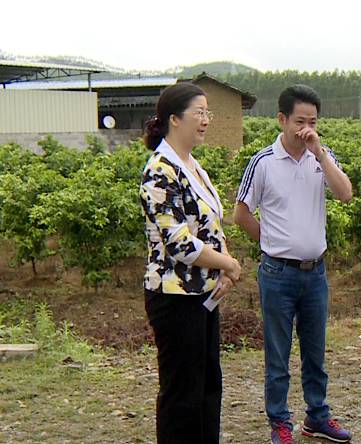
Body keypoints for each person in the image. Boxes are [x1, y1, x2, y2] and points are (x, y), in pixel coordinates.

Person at [233, 84, 353, 444]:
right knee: (278, 355)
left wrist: (320, 154)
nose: (306, 129)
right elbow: (241, 214)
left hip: (315, 272)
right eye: (300, 121)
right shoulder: (263, 162)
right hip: (277, 274)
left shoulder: (322, 156)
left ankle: (317, 416)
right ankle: (279, 421)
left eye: (313, 122)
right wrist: (270, 242)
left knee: (315, 352)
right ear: (282, 119)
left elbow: (345, 194)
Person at [140, 82, 242, 444]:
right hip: (174, 295)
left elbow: (211, 223)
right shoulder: (160, 170)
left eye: (207, 113)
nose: (205, 120)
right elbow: (178, 242)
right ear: (173, 119)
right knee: (182, 394)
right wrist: (226, 264)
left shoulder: (192, 165)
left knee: (207, 387)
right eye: (198, 113)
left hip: (202, 293)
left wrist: (223, 262)